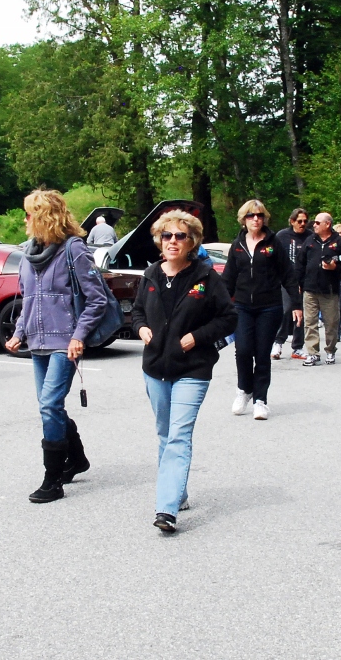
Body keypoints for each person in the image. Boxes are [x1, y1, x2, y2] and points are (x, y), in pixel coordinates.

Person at [132, 209, 236, 534]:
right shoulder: (150, 274)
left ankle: (166, 509)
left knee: (178, 435)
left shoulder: (206, 278)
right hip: (155, 368)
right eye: (167, 235)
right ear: (159, 240)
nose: (173, 241)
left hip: (193, 368)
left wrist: (197, 337)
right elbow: (137, 311)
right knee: (165, 434)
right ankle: (178, 491)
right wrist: (141, 329)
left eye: (181, 236)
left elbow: (228, 318)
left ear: (192, 242)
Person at [4, 190, 109, 504]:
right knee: (51, 406)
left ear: (44, 217)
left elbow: (97, 299)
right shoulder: (28, 253)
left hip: (65, 342)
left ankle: (52, 480)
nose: (24, 220)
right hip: (37, 342)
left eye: (29, 214)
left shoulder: (73, 249)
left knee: (49, 405)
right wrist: (19, 333)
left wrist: (79, 336)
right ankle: (76, 459)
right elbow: (28, 300)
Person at [221, 200, 299, 421]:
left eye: (259, 215)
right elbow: (228, 279)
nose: (255, 219)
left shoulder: (273, 243)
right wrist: (220, 305)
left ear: (264, 218)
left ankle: (260, 400)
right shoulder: (237, 245)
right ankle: (244, 390)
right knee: (243, 350)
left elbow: (288, 274)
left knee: (262, 354)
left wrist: (296, 304)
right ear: (243, 219)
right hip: (242, 306)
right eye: (251, 215)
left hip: (269, 306)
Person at [295, 213, 341, 366]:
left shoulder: (339, 242)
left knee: (331, 322)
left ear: (327, 224)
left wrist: (335, 267)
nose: (313, 225)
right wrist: (299, 283)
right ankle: (312, 353)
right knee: (310, 322)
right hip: (310, 288)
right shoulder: (310, 240)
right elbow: (300, 263)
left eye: (317, 222)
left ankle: (330, 350)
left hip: (330, 289)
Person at [272, 208, 312, 360]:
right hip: (286, 280)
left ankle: (298, 347)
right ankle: (278, 342)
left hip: (305, 280)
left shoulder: (310, 236)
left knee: (302, 314)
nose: (302, 224)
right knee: (286, 309)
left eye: (305, 221)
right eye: (299, 221)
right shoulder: (282, 236)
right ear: (292, 221)